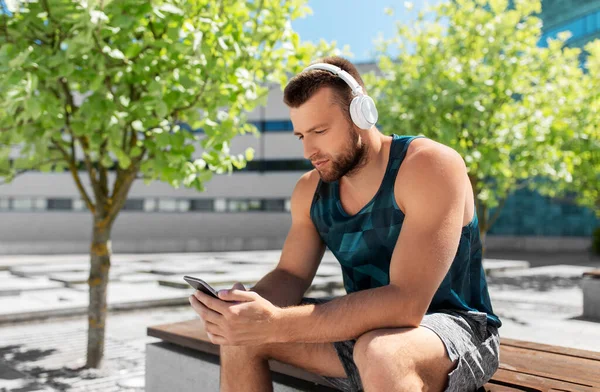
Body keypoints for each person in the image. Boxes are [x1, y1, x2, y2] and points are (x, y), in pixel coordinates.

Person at [188, 56, 501, 392]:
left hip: (459, 330)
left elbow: (407, 303)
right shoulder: (311, 190)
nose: (309, 149)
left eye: (320, 131)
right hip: (368, 333)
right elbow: (290, 275)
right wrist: (244, 310)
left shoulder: (428, 166)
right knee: (242, 338)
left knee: (381, 352)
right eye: (301, 136)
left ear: (362, 114)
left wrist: (278, 323)